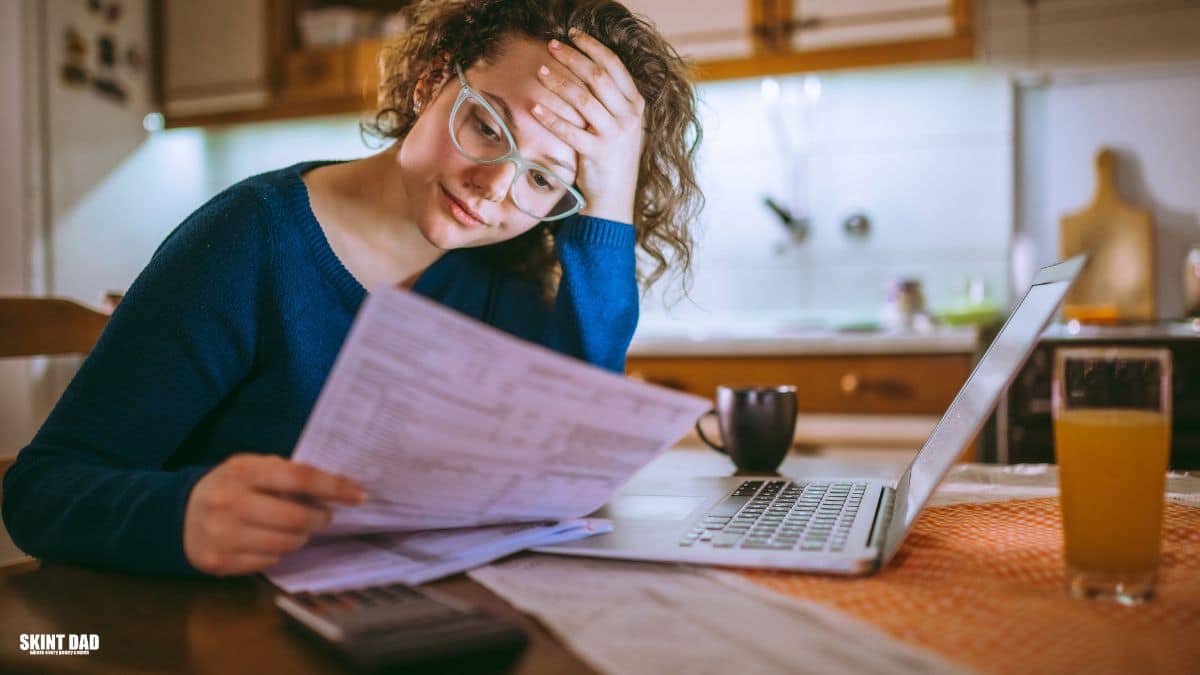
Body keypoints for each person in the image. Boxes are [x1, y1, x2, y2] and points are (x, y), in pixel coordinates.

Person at [1, 0, 702, 578]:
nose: (493, 189)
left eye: (545, 179)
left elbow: (568, 473)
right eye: (486, 125)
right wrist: (183, 512)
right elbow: (40, 491)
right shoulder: (248, 242)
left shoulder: (504, 271)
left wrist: (609, 204)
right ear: (432, 80)